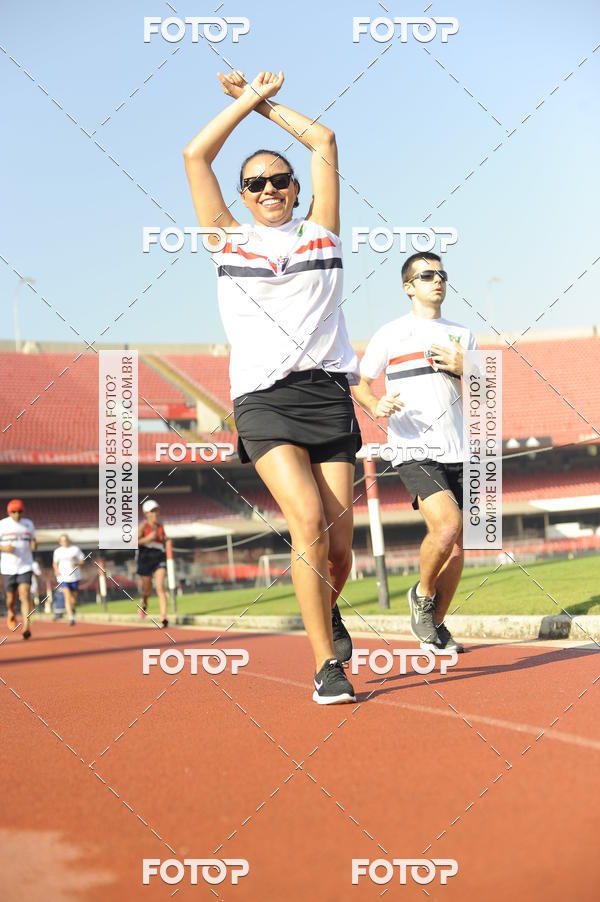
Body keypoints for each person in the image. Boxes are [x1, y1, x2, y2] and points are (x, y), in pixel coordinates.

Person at [183, 69, 361, 704]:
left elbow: (324, 139)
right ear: (242, 195)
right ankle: (325, 666)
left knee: (340, 547)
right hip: (262, 400)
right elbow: (195, 155)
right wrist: (247, 100)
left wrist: (264, 106)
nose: (268, 189)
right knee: (307, 521)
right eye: (254, 183)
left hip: (327, 396)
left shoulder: (322, 232)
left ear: (295, 188)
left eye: (279, 179)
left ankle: (328, 608)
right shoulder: (227, 239)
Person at [353, 252, 478, 653]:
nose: (437, 280)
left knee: (457, 547)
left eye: (442, 273)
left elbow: (487, 392)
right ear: (408, 286)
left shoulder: (463, 335)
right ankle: (422, 595)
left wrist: (467, 367)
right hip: (413, 448)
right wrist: (376, 405)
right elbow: (359, 381)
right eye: (427, 275)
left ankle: (435, 625)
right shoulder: (391, 333)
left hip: (459, 449)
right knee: (447, 525)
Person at [0, 499, 36, 639]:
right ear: (9, 512)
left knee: (25, 594)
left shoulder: (28, 524)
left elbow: (33, 540)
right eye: (14, 512)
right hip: (8, 567)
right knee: (11, 599)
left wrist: (34, 544)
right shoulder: (3, 524)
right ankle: (11, 610)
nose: (17, 514)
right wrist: (4, 548)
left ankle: (26, 627)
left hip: (25, 565)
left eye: (19, 511)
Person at [137, 500, 169, 628]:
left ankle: (164, 617)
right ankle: (144, 603)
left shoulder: (160, 526)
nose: (155, 513)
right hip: (145, 559)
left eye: (156, 510)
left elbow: (164, 538)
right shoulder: (143, 526)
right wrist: (148, 538)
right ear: (146, 513)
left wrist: (165, 539)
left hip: (159, 558)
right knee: (148, 590)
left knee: (160, 587)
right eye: (152, 511)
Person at [52, 534, 85, 625]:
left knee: (73, 599)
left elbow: (82, 561)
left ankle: (72, 608)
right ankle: (71, 617)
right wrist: (56, 570)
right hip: (63, 578)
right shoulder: (57, 551)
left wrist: (76, 564)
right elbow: (55, 563)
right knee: (67, 596)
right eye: (62, 541)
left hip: (75, 577)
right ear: (60, 542)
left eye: (65, 540)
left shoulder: (75, 549)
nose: (64, 542)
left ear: (68, 541)